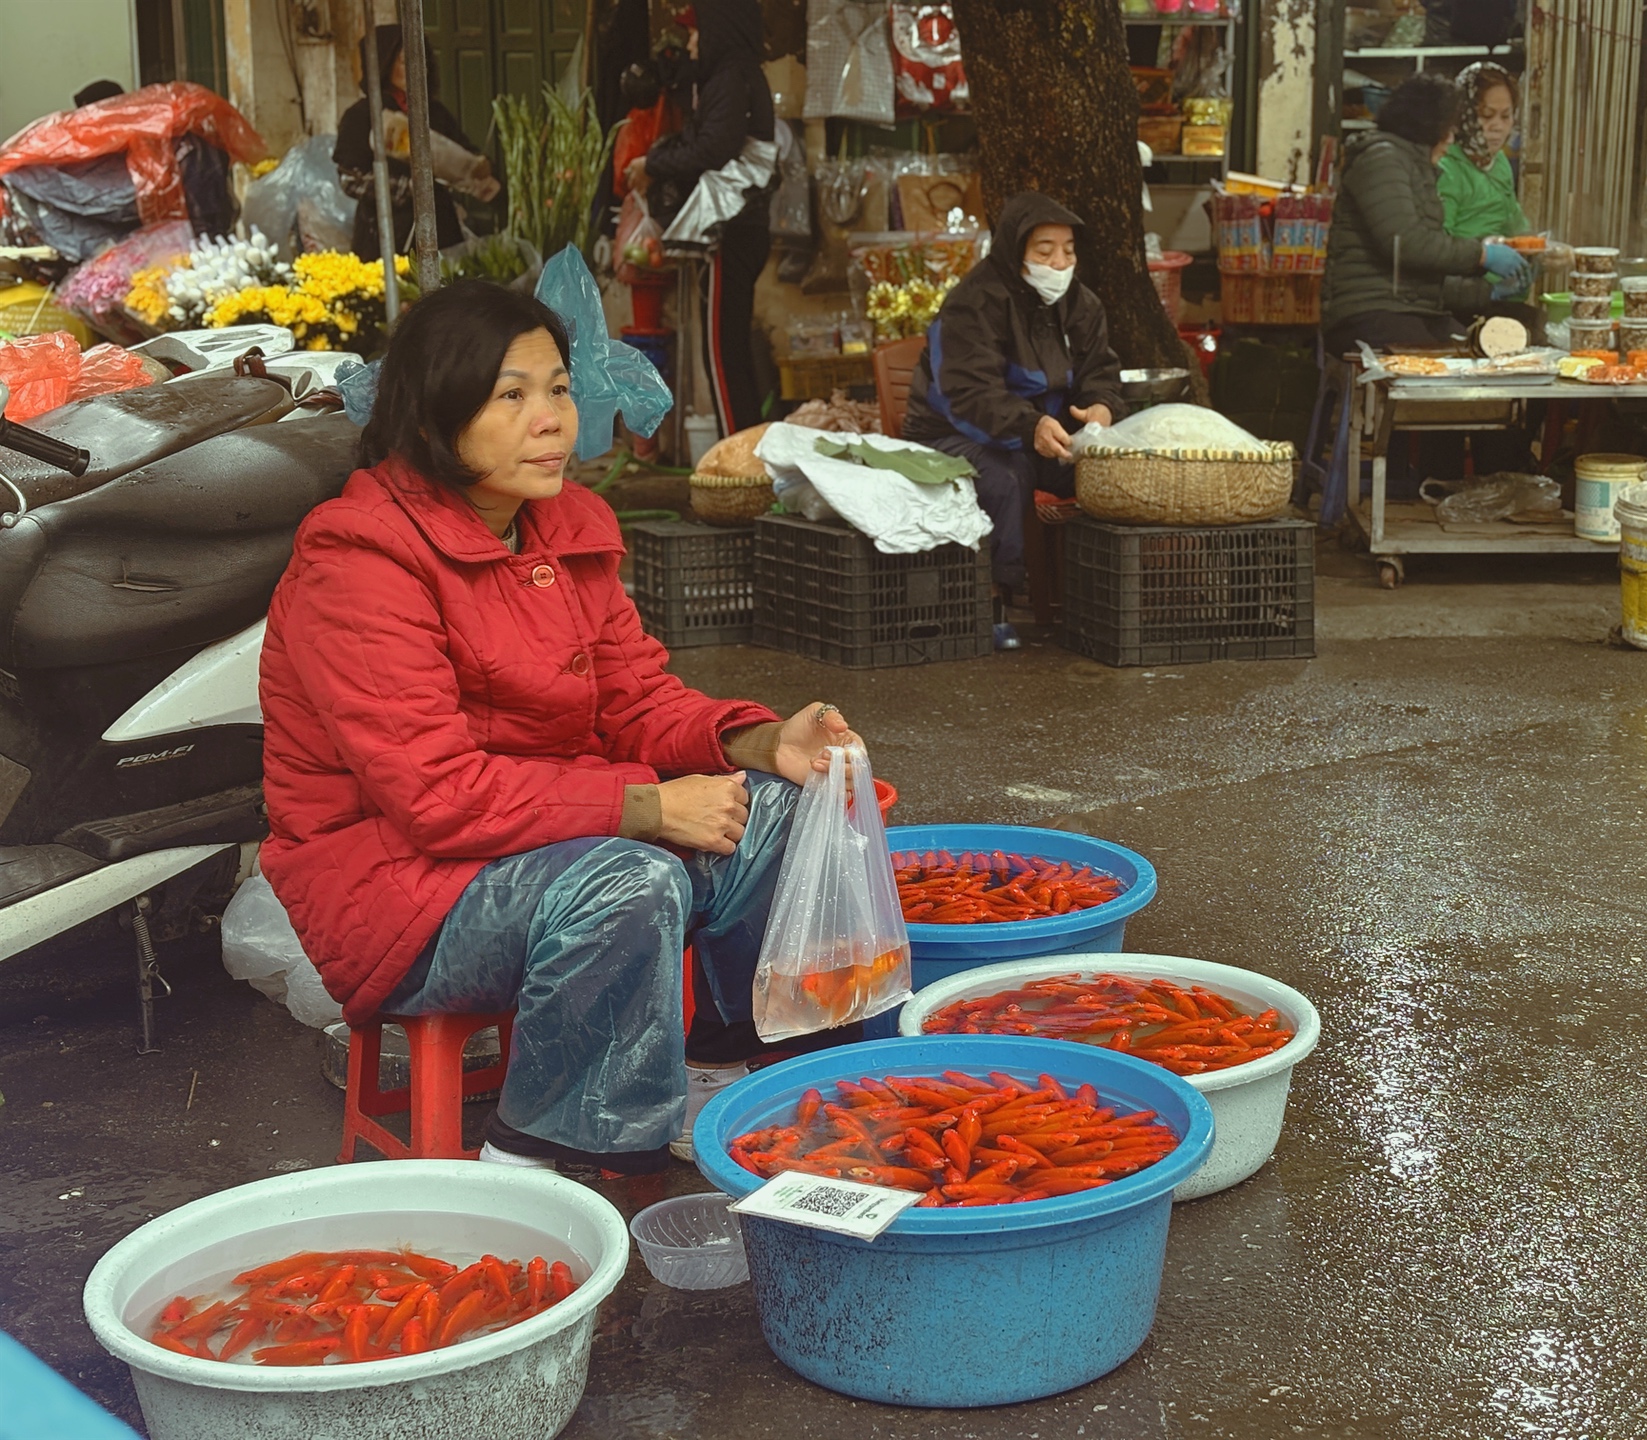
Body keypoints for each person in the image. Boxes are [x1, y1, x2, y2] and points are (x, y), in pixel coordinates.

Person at [258, 281, 867, 1181]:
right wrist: (647, 807)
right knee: (630, 875)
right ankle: (538, 1151)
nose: (549, 420)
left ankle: (723, 1066)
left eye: (558, 389)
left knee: (782, 807)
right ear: (435, 412)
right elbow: (437, 798)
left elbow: (633, 702)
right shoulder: (357, 562)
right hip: (405, 897)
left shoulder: (562, 531)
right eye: (512, 395)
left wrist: (758, 740)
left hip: (546, 842)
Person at [902, 192, 1126, 651]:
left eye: (1067, 250)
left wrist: (1101, 406)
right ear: (1015, 250)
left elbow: (1099, 370)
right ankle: (994, 599)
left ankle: (1099, 599)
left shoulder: (1081, 304)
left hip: (1040, 433)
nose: (1058, 262)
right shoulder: (973, 303)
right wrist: (1030, 427)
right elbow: (968, 392)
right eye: (1044, 251)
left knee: (1108, 470)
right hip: (952, 431)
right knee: (1006, 476)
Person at [628, 0, 772, 437]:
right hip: (741, 227)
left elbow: (713, 148)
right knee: (728, 349)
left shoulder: (730, 77)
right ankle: (745, 453)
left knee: (722, 353)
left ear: (717, 32)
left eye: (696, 33)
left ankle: (737, 457)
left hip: (729, 229)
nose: (691, 44)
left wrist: (653, 165)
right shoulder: (734, 74)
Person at [1322, 71, 1530, 359]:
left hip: (1410, 309)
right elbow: (1406, 243)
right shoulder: (1382, 159)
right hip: (1368, 311)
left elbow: (1423, 283)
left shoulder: (1418, 167)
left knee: (1488, 355)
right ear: (1429, 125)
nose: (1452, 138)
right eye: (1449, 128)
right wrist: (1482, 254)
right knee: (1444, 372)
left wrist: (1487, 293)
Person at [333, 25, 475, 262]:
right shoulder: (362, 116)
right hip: (384, 233)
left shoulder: (435, 113)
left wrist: (477, 170)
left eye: (422, 60)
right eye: (404, 61)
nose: (417, 68)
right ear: (384, 65)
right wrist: (409, 189)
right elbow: (350, 179)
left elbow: (464, 151)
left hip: (440, 230)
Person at [1436, 63, 1528, 244]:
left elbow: (1514, 222)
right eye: (1486, 115)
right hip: (1462, 269)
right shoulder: (1446, 167)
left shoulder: (1499, 162)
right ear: (1463, 115)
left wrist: (1541, 248)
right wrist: (1484, 252)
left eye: (1505, 116)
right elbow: (1440, 244)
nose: (1498, 127)